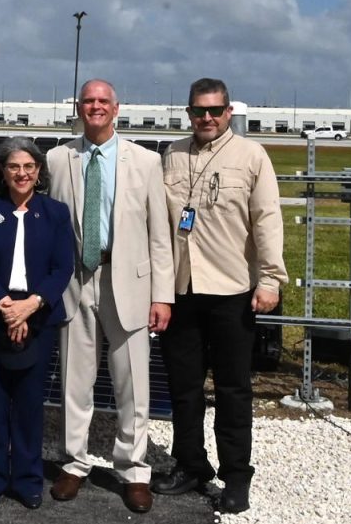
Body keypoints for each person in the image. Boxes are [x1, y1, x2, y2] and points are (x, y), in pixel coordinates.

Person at [154, 78, 286, 515]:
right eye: (197, 111)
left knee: (233, 388)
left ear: (228, 112)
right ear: (188, 113)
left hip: (232, 289)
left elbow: (267, 218)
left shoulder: (251, 156)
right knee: (184, 387)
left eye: (214, 110)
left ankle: (235, 475)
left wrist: (270, 279)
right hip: (181, 288)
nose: (205, 118)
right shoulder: (171, 156)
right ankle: (190, 463)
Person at [46, 78, 174, 514]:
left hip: (128, 281)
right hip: (75, 281)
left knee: (132, 383)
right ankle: (74, 462)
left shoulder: (145, 161)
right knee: (74, 381)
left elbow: (161, 235)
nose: (95, 107)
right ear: (78, 108)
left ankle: (134, 469)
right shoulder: (57, 158)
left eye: (103, 101)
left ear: (116, 109)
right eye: (88, 101)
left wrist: (163, 296)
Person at [0, 137, 74, 510]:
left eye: (29, 167)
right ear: (3, 172)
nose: (22, 173)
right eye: (14, 166)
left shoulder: (56, 213)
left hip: (39, 316)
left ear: (39, 172)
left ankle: (28, 479)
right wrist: (6, 306)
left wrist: (30, 307)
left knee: (29, 404)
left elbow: (63, 268)